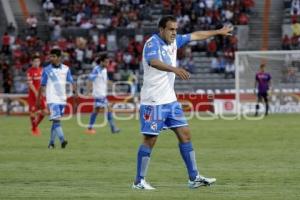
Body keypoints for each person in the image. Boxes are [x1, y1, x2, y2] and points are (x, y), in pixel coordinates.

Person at [132, 15, 233, 190]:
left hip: (170, 100)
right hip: (153, 101)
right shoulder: (152, 43)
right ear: (161, 29)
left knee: (185, 133)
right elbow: (153, 62)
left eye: (176, 29)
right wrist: (174, 69)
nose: (174, 33)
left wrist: (217, 32)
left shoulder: (175, 41)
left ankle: (194, 178)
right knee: (150, 140)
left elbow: (195, 35)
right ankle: (138, 182)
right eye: (171, 29)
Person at [37, 48, 75, 149]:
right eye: (50, 56)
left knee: (55, 121)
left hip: (62, 99)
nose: (51, 58)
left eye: (53, 56)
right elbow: (42, 85)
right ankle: (63, 140)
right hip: (52, 99)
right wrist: (38, 99)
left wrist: (75, 93)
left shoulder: (66, 69)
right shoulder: (46, 70)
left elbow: (71, 81)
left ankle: (51, 143)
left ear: (59, 57)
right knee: (57, 120)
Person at [85, 54, 120, 135]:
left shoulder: (104, 70)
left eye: (108, 62)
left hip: (102, 94)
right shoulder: (96, 69)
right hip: (98, 94)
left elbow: (106, 80)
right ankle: (113, 128)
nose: (107, 64)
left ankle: (90, 127)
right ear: (101, 62)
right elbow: (90, 79)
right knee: (108, 109)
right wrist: (88, 91)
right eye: (106, 62)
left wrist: (114, 85)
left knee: (96, 111)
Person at [26, 54, 47, 136]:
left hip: (40, 95)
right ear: (32, 62)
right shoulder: (30, 71)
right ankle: (34, 130)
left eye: (38, 61)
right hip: (33, 96)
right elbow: (30, 84)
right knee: (32, 113)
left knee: (45, 112)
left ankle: (34, 127)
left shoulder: (42, 70)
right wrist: (36, 93)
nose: (36, 63)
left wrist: (44, 91)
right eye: (35, 61)